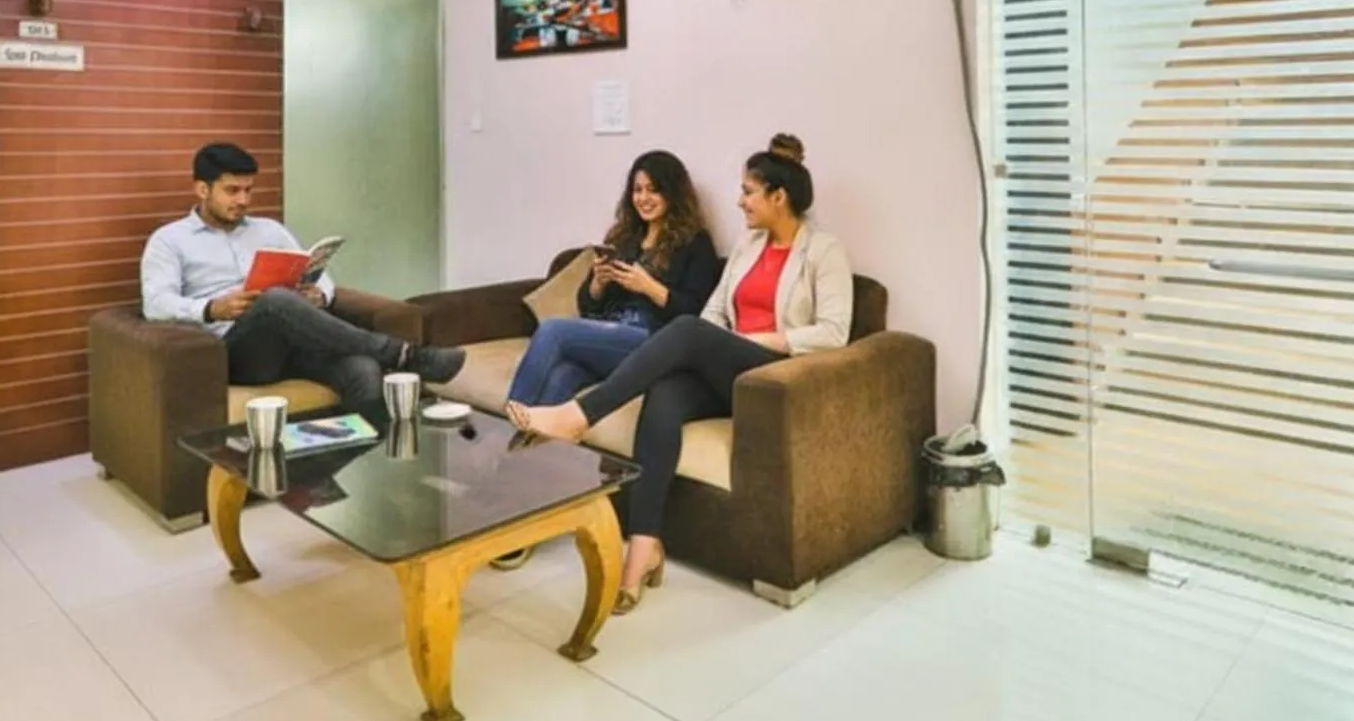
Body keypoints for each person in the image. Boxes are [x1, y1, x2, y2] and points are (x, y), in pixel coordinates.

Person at [509, 134, 853, 613]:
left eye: (749, 192)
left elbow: (834, 332)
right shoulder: (749, 246)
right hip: (725, 369)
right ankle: (643, 550)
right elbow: (714, 312)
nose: (740, 201)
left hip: (774, 373)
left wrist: (742, 342)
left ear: (779, 197)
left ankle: (579, 414)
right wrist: (707, 344)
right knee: (665, 397)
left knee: (686, 330)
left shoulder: (823, 250)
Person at [140, 142, 464, 412]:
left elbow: (317, 273)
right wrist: (213, 308)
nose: (243, 200)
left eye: (249, 190)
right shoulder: (170, 240)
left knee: (362, 371)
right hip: (236, 352)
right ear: (202, 189)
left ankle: (357, 467)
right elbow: (155, 304)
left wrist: (319, 294)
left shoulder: (269, 230)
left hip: (295, 344)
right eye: (232, 191)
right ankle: (403, 354)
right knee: (274, 301)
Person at [505, 150, 721, 408]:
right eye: (637, 190)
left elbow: (695, 314)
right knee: (562, 375)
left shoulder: (695, 243)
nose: (643, 199)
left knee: (553, 331)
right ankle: (528, 440)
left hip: (655, 341)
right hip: (611, 334)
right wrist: (598, 283)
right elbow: (587, 307)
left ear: (672, 193)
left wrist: (649, 288)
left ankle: (512, 411)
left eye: (653, 190)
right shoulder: (626, 237)